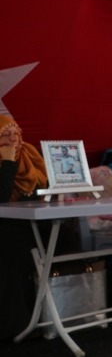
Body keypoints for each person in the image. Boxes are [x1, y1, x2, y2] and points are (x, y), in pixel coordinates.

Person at [0, 116, 78, 339]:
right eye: (5, 134)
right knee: (14, 247)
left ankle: (72, 309)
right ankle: (20, 324)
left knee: (64, 236)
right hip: (7, 225)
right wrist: (7, 164)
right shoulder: (5, 163)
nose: (13, 138)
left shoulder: (32, 156)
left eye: (15, 132)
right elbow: (2, 197)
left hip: (35, 221)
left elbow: (48, 190)